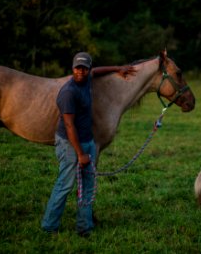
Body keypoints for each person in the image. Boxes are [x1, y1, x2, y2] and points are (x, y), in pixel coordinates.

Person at [41, 52, 136, 237]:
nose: (81, 71)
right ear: (72, 69)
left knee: (88, 185)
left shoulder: (87, 79)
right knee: (65, 184)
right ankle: (49, 225)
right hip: (70, 143)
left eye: (85, 68)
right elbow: (69, 126)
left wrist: (117, 68)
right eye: (78, 68)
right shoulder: (69, 92)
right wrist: (80, 154)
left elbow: (98, 71)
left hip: (87, 140)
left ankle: (85, 226)